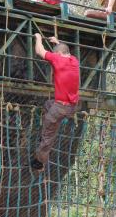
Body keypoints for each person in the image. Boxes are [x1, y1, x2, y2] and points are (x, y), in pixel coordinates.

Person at [30, 33, 79, 172]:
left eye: (55, 53)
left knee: (47, 136)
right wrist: (57, 42)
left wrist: (38, 37)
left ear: (58, 54)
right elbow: (64, 51)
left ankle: (39, 163)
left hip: (60, 108)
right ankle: (49, 125)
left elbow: (39, 51)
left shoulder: (58, 60)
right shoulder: (74, 60)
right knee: (47, 105)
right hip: (70, 106)